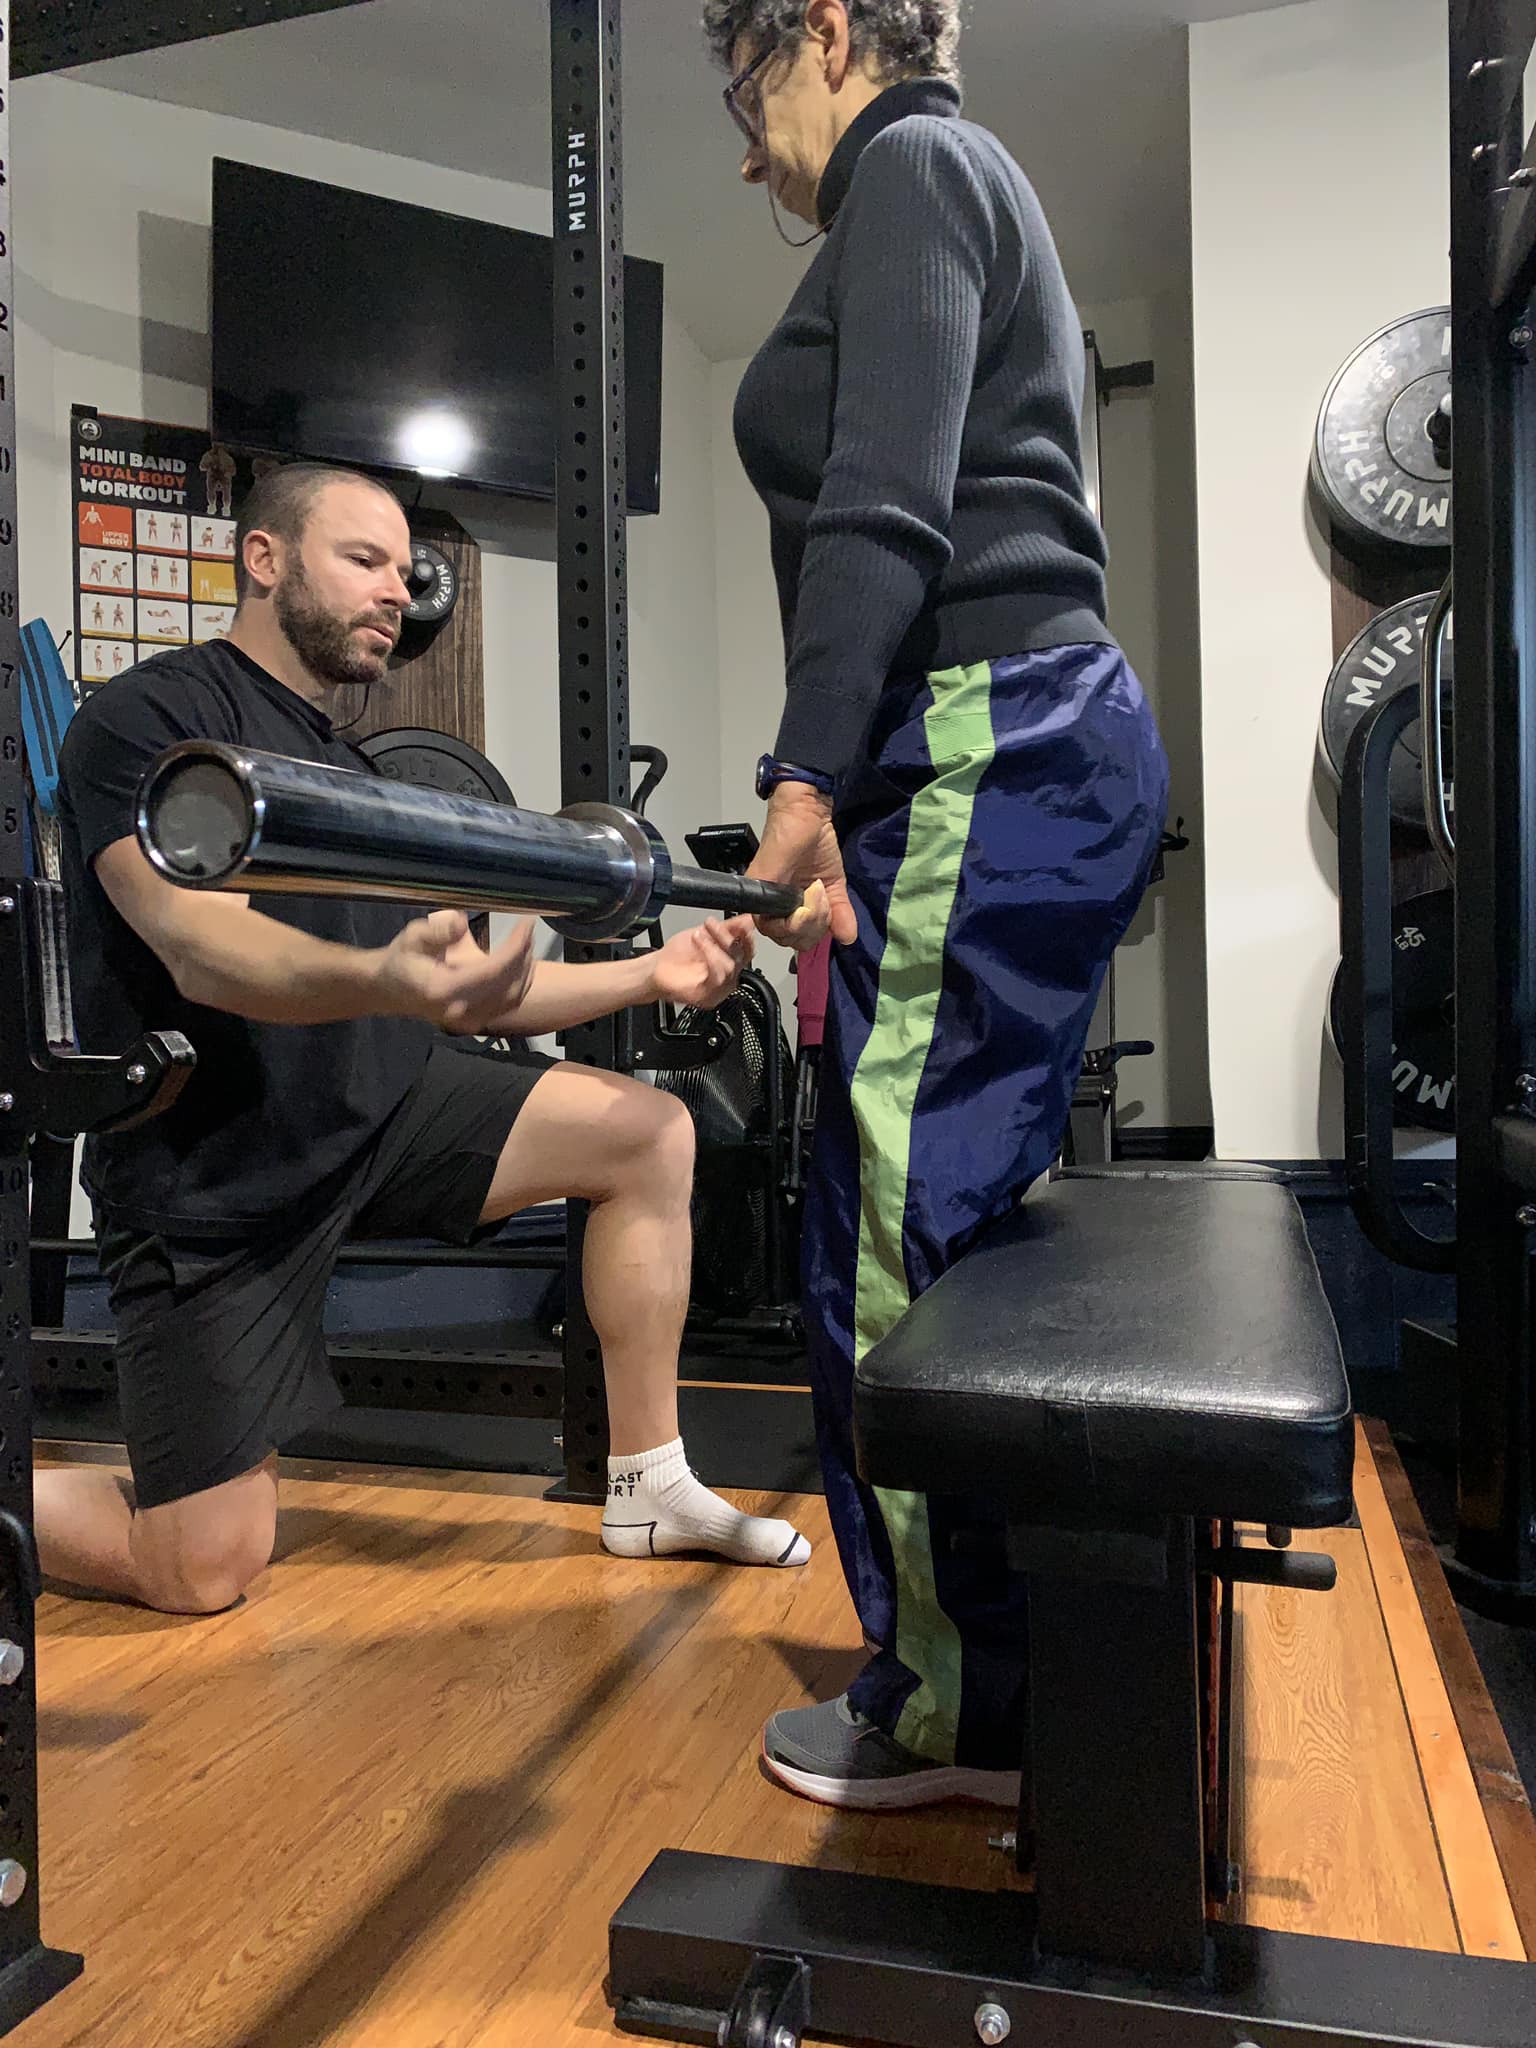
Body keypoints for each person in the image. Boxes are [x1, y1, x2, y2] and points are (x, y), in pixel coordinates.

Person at [42, 462, 815, 1615]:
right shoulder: (147, 721)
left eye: (404, 573)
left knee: (646, 1133)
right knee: (200, 1565)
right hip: (217, 1177)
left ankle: (650, 1483)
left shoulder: (361, 771)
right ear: (265, 560)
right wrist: (385, 977)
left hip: (378, 1110)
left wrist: (658, 969)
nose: (394, 592)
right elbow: (201, 948)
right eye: (362, 560)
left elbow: (469, 997)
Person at [702, 0, 1171, 1808]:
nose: (747, 150)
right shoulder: (961, 185)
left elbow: (887, 505)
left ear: (823, 26)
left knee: (883, 1226)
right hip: (998, 742)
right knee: (931, 1202)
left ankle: (964, 1699)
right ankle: (1014, 1638)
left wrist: (805, 780)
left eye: (746, 92)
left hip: (982, 734)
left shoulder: (913, 164)